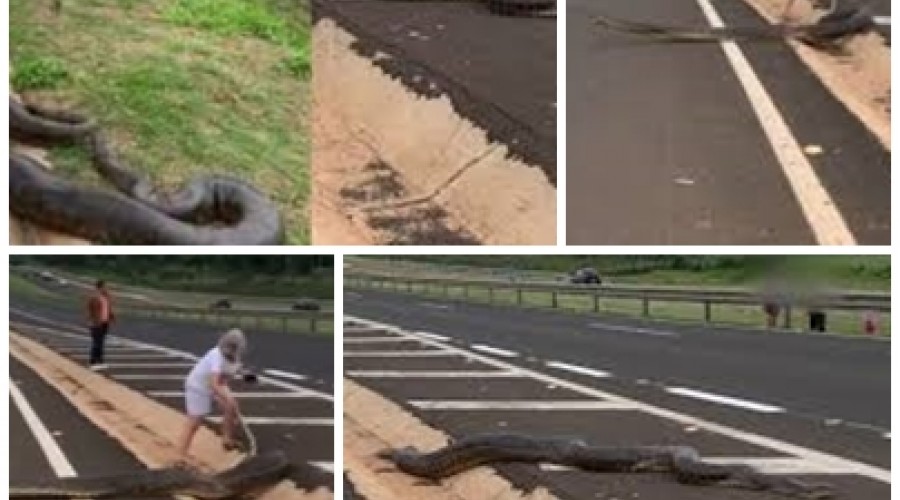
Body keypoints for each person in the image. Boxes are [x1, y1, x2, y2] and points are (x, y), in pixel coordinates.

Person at [177, 329, 247, 458]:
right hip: (199, 386)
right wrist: (226, 397)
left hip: (218, 384)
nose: (231, 350)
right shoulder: (216, 355)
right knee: (195, 421)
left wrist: (248, 377)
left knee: (231, 407)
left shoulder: (235, 357)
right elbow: (213, 383)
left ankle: (227, 439)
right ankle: (181, 453)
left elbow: (235, 370)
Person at [86, 280, 114, 370]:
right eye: (105, 287)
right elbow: (90, 310)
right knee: (96, 342)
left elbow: (109, 309)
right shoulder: (94, 297)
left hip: (105, 322)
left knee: (101, 342)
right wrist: (90, 320)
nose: (106, 288)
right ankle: (92, 362)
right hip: (96, 323)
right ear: (100, 287)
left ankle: (100, 361)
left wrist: (111, 317)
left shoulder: (106, 297)